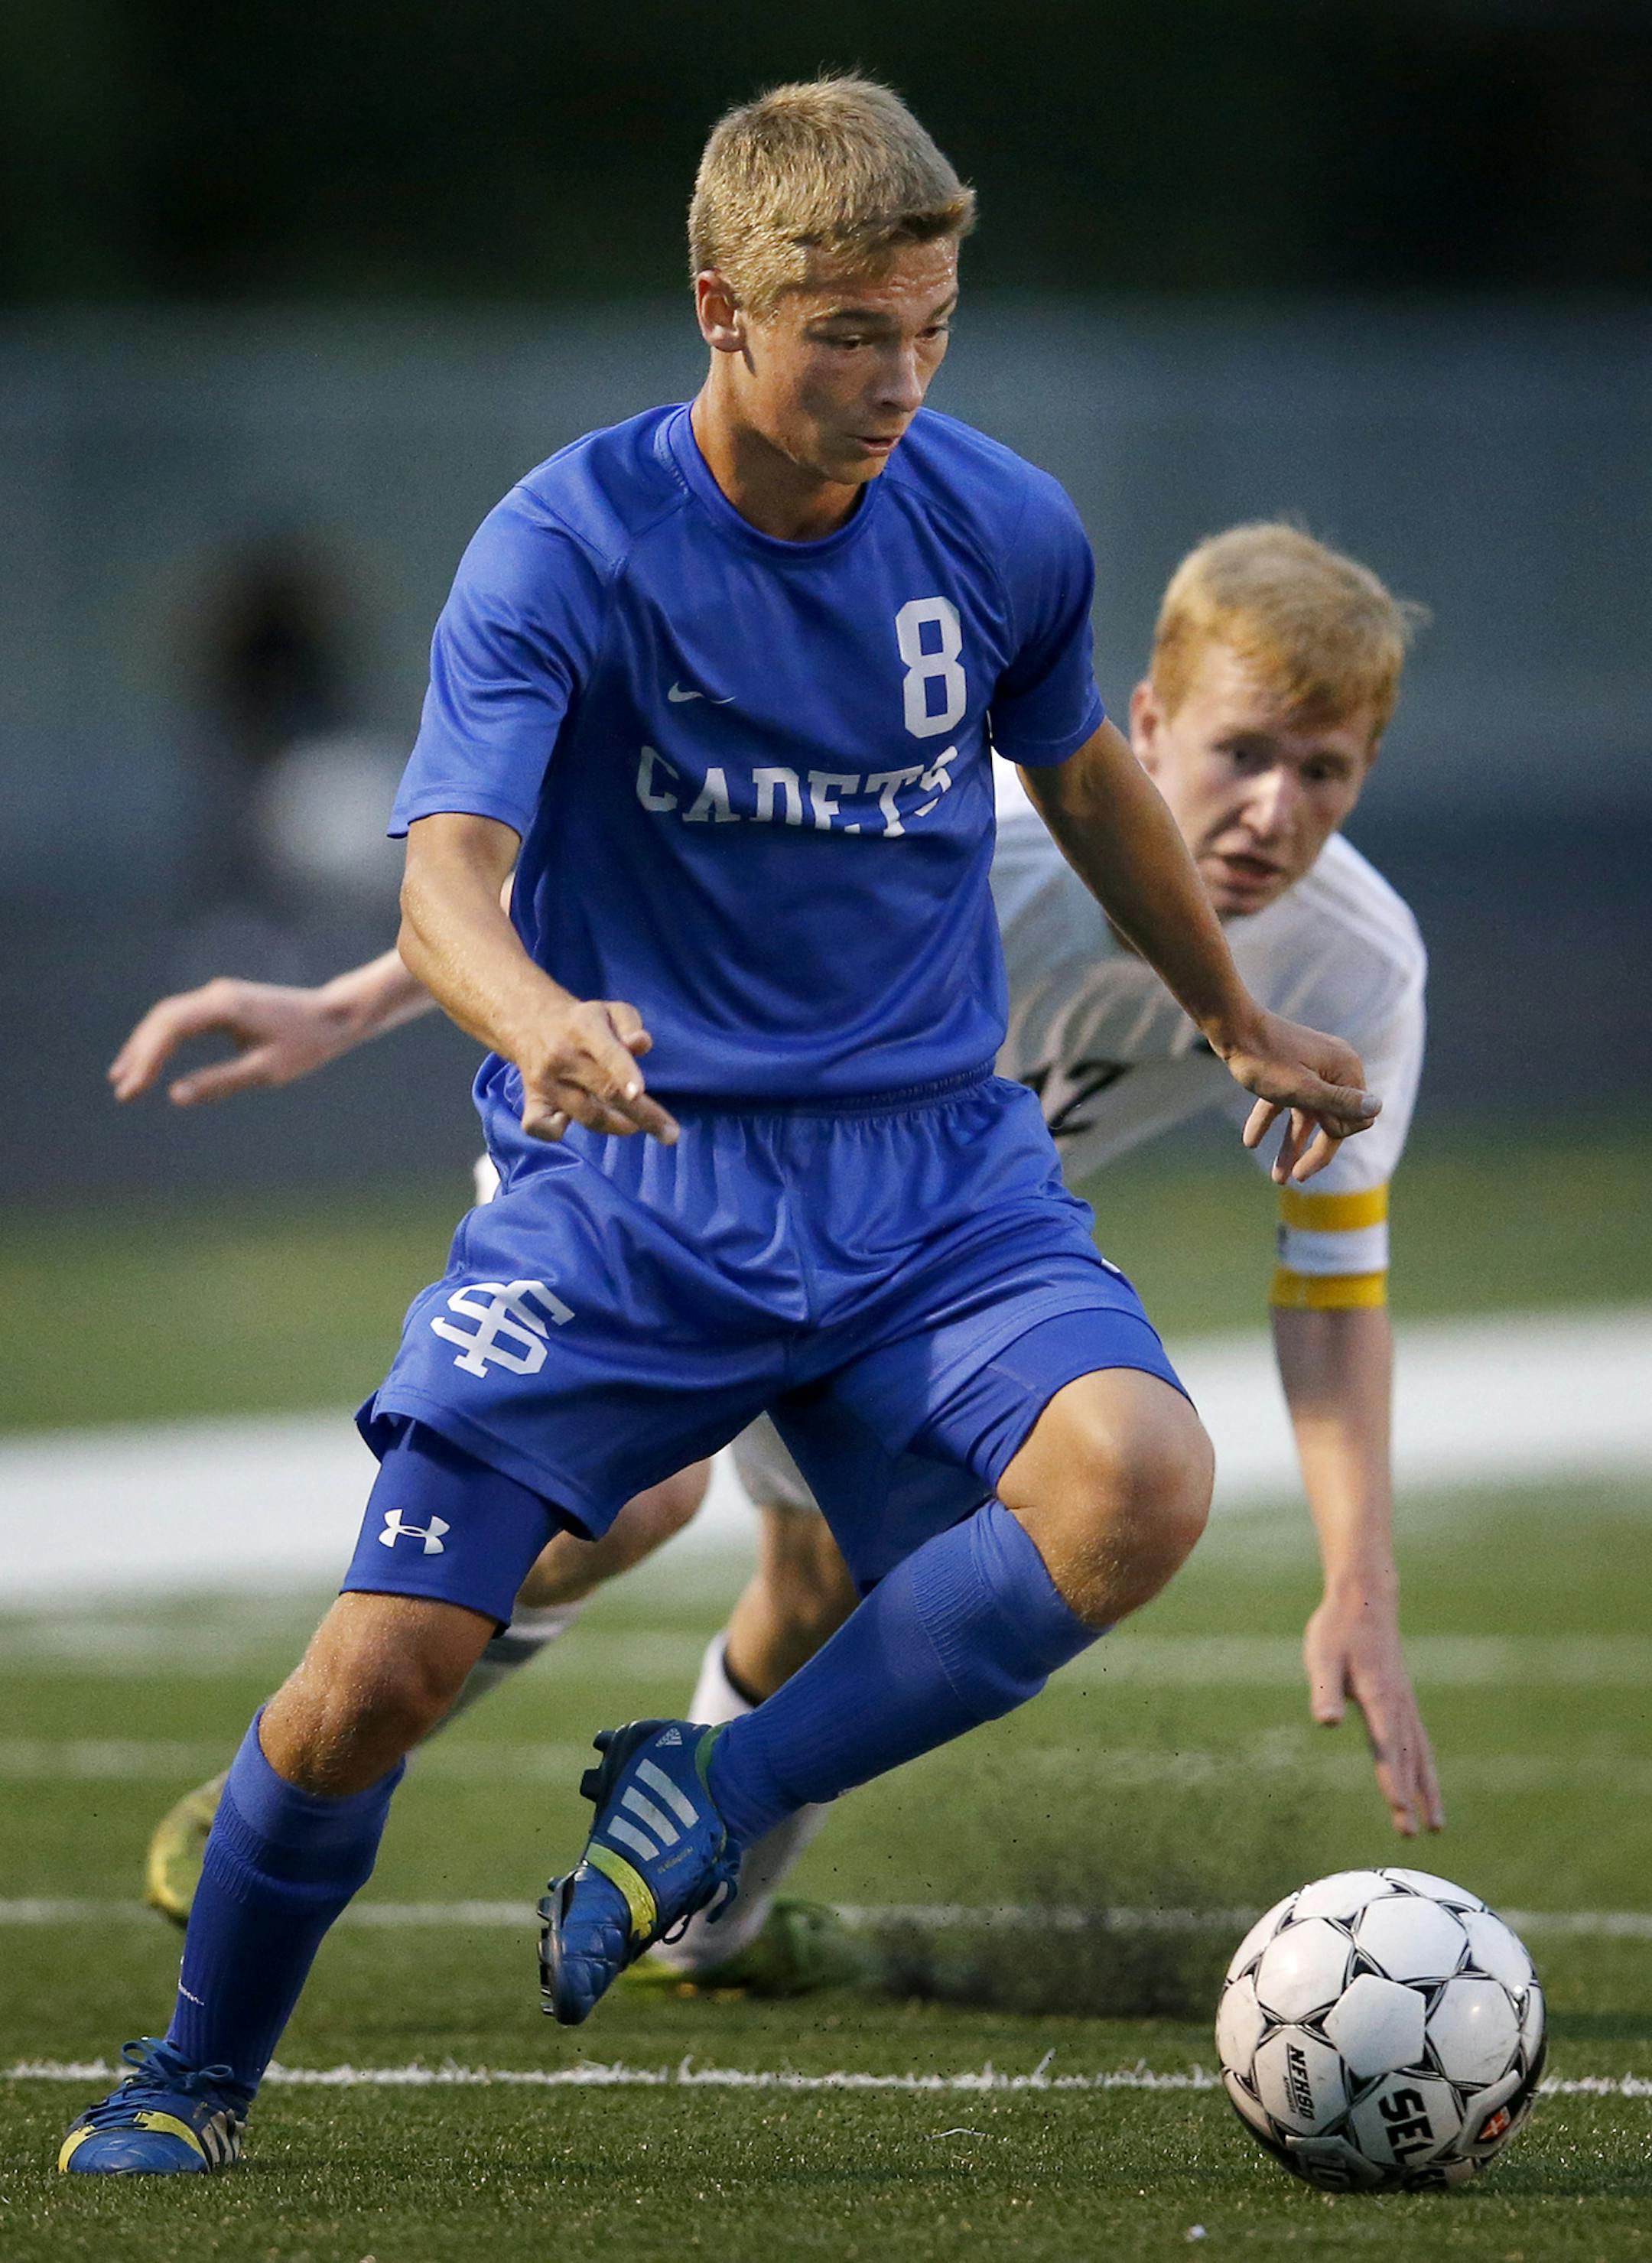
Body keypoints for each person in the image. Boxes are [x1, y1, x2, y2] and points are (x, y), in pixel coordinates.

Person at [63, 77, 1376, 2174]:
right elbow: (444, 881)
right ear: (723, 310)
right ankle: (195, 2072)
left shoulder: (1005, 529)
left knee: (1138, 1479)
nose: (897, 378)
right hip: (635, 1200)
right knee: (373, 1679)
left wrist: (1231, 1018)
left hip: (930, 1182)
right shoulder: (570, 544)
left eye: (930, 326)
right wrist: (531, 1018)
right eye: (850, 330)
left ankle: (723, 1792)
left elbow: (1091, 788)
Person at [123, 522, 1441, 2002]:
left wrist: (1362, 1581)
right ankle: (309, 1760)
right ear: (1142, 723)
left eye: (1323, 772)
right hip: (644, 1146)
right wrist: (352, 1005)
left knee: (832, 1572)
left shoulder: (1358, 966)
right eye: (1239, 753)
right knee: (625, 1501)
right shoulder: (987, 836)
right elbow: (647, 875)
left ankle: (702, 1923)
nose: (1273, 809)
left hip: (912, 1242)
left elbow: (1333, 1291)